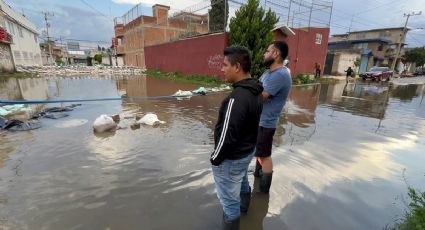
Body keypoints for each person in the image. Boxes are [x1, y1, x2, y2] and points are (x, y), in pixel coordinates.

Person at [210, 46, 263, 230]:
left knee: (229, 203)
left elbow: (227, 135)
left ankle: (235, 219)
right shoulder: (256, 91)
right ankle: (245, 210)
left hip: (231, 159)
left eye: (225, 65)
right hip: (247, 152)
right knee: (242, 181)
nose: (222, 69)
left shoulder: (236, 98)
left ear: (237, 67)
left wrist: (215, 159)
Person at [254, 41, 292, 194]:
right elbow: (258, 86)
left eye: (267, 51)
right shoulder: (268, 73)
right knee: (259, 153)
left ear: (275, 54)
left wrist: (248, 92)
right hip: (260, 120)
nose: (264, 54)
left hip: (266, 122)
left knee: (264, 155)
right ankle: (258, 176)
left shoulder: (281, 74)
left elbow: (262, 96)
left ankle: (263, 192)